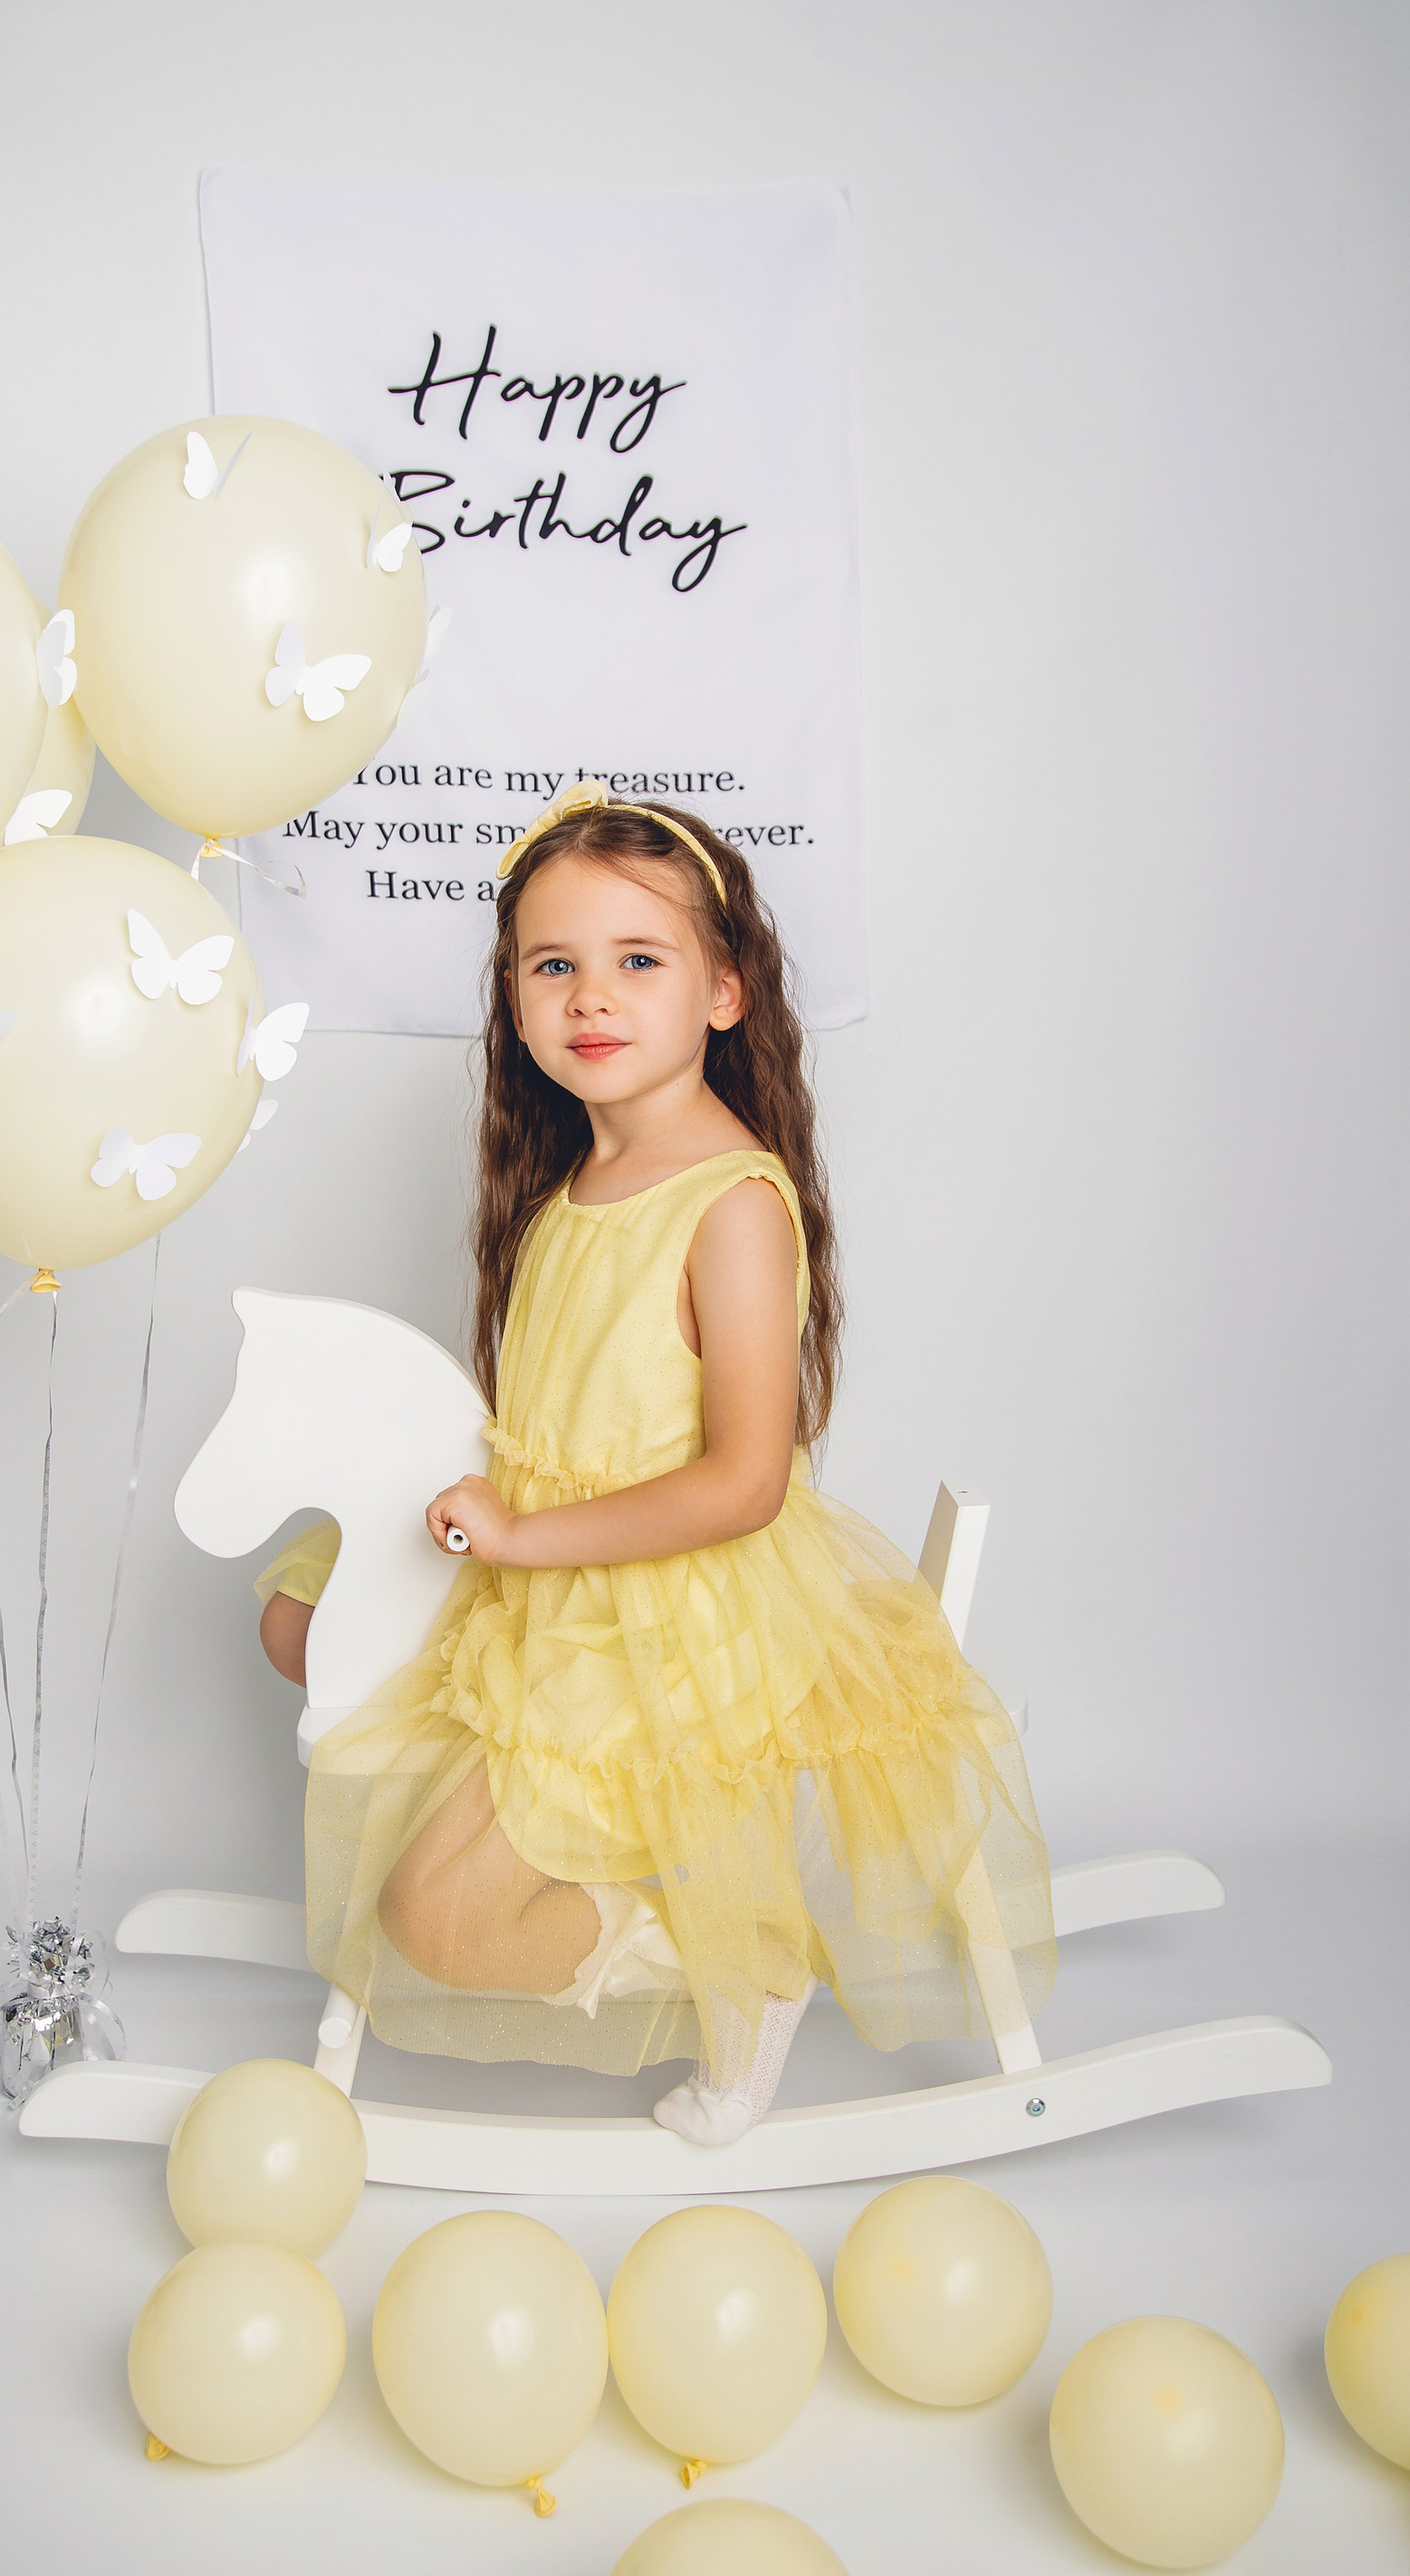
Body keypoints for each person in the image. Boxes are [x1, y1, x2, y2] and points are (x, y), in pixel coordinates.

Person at [258, 783, 1055, 2144]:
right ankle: (580, 1863)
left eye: (639, 960)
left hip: (670, 1599)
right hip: (548, 1552)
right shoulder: (567, 1182)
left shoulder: (730, 1203)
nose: (591, 997)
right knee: (298, 1622)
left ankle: (742, 1960)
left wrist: (519, 1538)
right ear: (514, 999)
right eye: (552, 966)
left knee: (434, 1918)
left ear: (724, 992)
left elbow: (743, 1482)